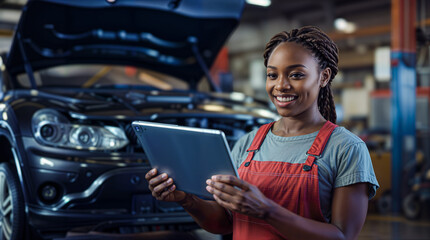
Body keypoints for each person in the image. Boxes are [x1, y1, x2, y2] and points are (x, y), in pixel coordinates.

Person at [145, 26, 379, 240]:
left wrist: (267, 211)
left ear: (324, 77)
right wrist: (187, 200)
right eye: (272, 74)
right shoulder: (248, 143)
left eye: (296, 75)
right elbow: (225, 223)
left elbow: (342, 237)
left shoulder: (346, 148)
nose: (281, 85)